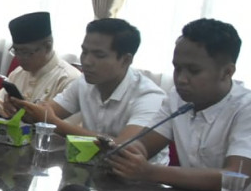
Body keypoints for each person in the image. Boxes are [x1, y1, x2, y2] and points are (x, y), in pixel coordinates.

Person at [108, 19, 251, 191]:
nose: (181, 79)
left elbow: (235, 177)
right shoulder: (177, 98)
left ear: (227, 72)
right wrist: (124, 153)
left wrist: (149, 172)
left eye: (193, 71)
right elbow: (144, 145)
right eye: (177, 68)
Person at [16, 17, 167, 155]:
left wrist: (54, 123)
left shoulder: (149, 96)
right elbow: (48, 111)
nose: (86, 61)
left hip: (138, 180)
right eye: (84, 52)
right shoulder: (84, 83)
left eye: (99, 55)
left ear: (126, 60)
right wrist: (24, 110)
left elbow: (124, 146)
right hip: (88, 164)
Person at [0, 11, 80, 116]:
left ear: (48, 46)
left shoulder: (68, 79)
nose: (19, 58)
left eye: (25, 52)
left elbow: (60, 129)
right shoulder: (19, 73)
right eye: (16, 51)